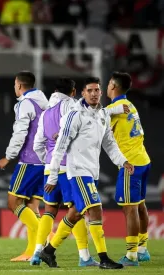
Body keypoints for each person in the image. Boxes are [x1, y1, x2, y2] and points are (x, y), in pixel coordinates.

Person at [40, 77, 133, 269]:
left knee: (75, 214)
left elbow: (109, 144)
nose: (93, 93)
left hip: (92, 171)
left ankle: (48, 251)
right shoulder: (74, 115)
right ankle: (104, 258)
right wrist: (53, 175)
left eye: (97, 90)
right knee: (95, 209)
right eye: (89, 90)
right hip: (78, 171)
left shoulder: (102, 115)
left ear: (100, 92)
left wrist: (122, 161)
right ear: (82, 93)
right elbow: (60, 147)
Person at [31, 78, 99, 267]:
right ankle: (84, 256)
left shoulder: (45, 114)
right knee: (75, 209)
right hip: (68, 166)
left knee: (49, 211)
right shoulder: (72, 106)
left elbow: (38, 144)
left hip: (49, 166)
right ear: (74, 91)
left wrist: (48, 158)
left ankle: (37, 251)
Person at [0, 71, 48, 262]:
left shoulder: (25, 104)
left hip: (30, 160)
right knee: (32, 205)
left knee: (13, 202)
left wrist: (8, 157)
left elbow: (20, 133)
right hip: (45, 160)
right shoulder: (45, 101)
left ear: (19, 86)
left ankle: (42, 237)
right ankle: (32, 251)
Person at [106, 72, 151, 265]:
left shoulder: (114, 108)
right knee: (140, 205)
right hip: (143, 159)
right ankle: (142, 248)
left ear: (114, 86)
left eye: (108, 83)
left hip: (130, 164)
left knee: (129, 208)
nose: (106, 87)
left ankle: (131, 255)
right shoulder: (129, 105)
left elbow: (94, 120)